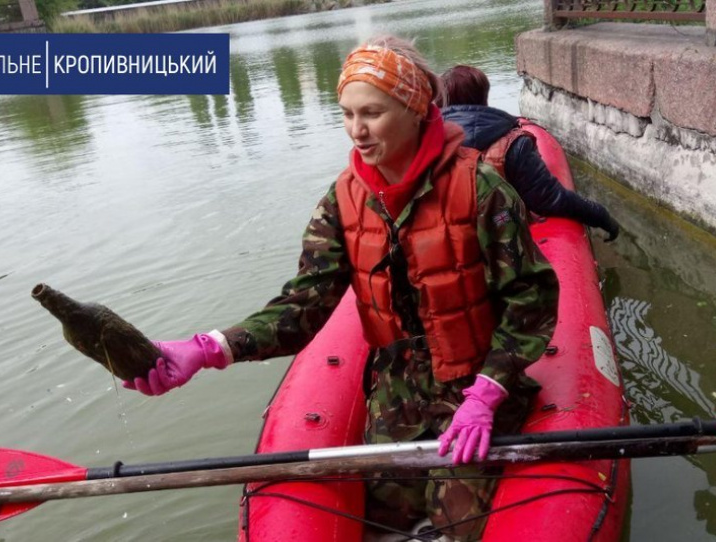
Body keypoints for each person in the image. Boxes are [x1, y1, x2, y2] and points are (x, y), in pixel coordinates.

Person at [121, 36, 558, 540]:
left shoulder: (482, 190)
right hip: (396, 399)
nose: (357, 130)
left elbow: (532, 296)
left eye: (371, 113)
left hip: (478, 389)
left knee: (456, 517)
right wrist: (211, 348)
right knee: (375, 522)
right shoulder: (343, 200)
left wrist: (491, 389)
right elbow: (303, 304)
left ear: (416, 109)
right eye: (347, 114)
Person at [440, 65, 620, 240]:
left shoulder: (423, 144)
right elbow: (551, 199)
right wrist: (601, 216)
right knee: (505, 217)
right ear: (484, 97)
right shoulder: (514, 144)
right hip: (496, 230)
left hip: (445, 240)